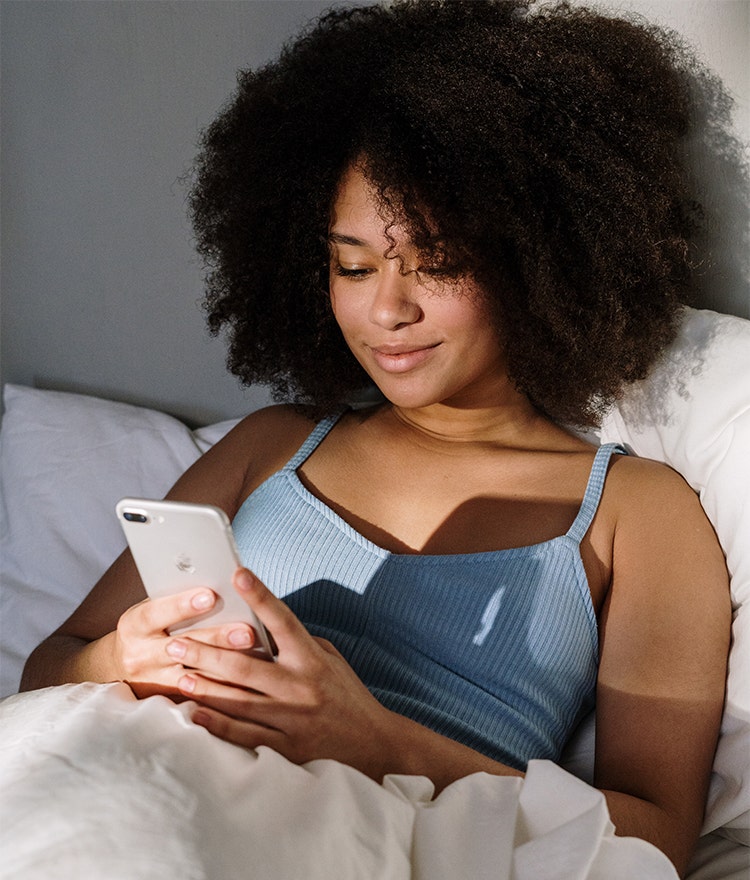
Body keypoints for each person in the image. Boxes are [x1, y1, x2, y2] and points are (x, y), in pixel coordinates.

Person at [21, 1, 731, 875]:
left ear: (540, 260)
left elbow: (655, 835)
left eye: (437, 262)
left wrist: (374, 738)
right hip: (129, 774)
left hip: (359, 829)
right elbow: (48, 670)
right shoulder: (272, 445)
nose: (387, 310)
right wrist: (119, 656)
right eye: (353, 266)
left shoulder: (636, 509)